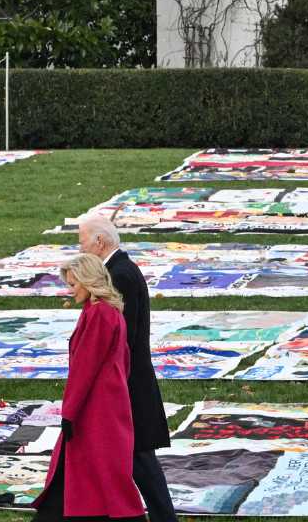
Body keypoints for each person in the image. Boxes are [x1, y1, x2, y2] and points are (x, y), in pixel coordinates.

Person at [32, 253, 147, 522]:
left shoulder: (99, 315)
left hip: (95, 408)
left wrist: (69, 412)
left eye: (73, 284)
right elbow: (123, 361)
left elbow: (84, 367)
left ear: (88, 281)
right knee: (96, 472)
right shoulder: (107, 312)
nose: (70, 291)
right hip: (106, 402)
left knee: (95, 472)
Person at [77, 216, 177, 522]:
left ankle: (161, 516)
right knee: (137, 455)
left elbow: (121, 336)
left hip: (127, 380)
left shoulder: (118, 276)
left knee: (139, 455)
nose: (80, 248)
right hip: (129, 376)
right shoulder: (121, 269)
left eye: (82, 241)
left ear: (99, 242)